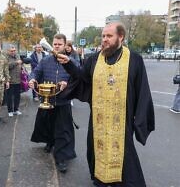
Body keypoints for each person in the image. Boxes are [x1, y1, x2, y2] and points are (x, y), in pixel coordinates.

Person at [56, 22, 155, 186]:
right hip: (98, 119)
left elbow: (142, 89)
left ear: (120, 37)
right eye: (103, 36)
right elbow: (82, 77)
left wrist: (140, 117)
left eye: (109, 36)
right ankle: (100, 179)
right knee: (97, 148)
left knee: (123, 153)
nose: (104, 39)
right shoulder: (95, 59)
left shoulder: (134, 59)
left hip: (122, 120)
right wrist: (68, 64)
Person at [28, 34, 79, 173]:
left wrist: (66, 83)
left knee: (63, 130)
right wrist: (32, 80)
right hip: (47, 100)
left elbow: (78, 78)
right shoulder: (45, 61)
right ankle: (50, 142)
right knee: (47, 125)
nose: (56, 46)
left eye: (59, 44)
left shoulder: (72, 62)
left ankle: (62, 157)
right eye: (55, 44)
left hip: (64, 102)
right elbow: (35, 73)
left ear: (65, 45)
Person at [6, 45, 23, 117]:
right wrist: (16, 62)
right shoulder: (6, 57)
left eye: (14, 51)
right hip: (10, 80)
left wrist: (22, 68)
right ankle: (10, 111)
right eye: (11, 51)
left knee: (17, 96)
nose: (13, 52)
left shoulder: (17, 56)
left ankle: (16, 109)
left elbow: (20, 64)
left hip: (18, 80)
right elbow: (7, 66)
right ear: (8, 51)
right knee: (9, 97)